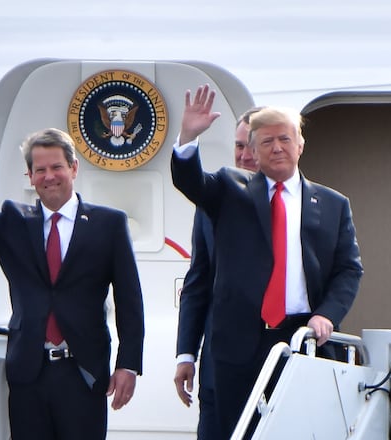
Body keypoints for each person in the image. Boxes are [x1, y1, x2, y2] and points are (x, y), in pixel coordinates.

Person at [0, 128, 144, 440]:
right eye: (40, 170)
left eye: (56, 167)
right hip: (29, 372)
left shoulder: (109, 224)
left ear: (73, 169)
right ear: (30, 175)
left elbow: (130, 299)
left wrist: (128, 365)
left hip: (83, 371)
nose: (49, 176)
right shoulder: (12, 221)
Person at [170, 85, 363, 439]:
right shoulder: (231, 189)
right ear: (254, 152)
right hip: (238, 345)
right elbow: (191, 183)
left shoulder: (334, 204)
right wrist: (188, 138)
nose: (277, 148)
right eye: (267, 141)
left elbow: (349, 269)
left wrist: (327, 314)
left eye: (285, 139)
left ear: (300, 145)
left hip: (302, 343)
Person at [173, 107, 262, 440]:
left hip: (276, 364)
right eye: (239, 146)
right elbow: (198, 283)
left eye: (253, 146)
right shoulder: (214, 200)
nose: (245, 155)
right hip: (218, 368)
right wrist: (186, 354)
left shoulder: (305, 206)